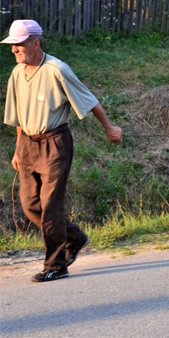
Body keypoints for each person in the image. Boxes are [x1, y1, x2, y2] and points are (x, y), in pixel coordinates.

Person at [2, 19, 123, 282]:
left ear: (36, 43)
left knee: (50, 208)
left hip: (55, 145)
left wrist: (109, 128)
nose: (14, 50)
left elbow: (89, 100)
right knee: (30, 205)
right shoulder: (16, 74)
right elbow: (20, 116)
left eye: (19, 45)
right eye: (12, 46)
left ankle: (55, 264)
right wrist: (17, 150)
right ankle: (74, 237)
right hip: (26, 145)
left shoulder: (57, 70)